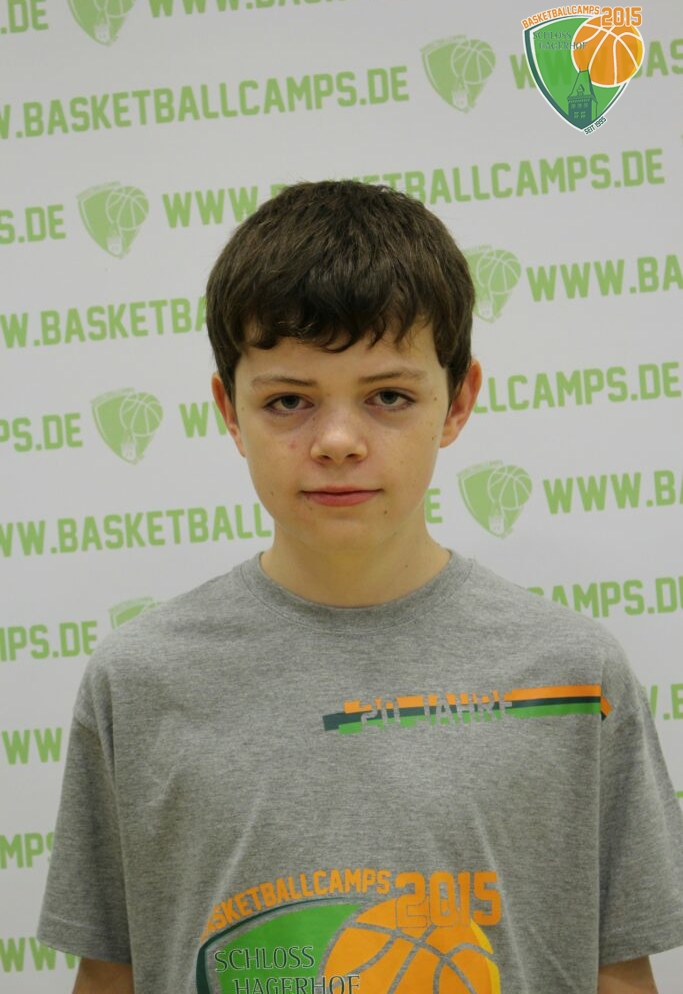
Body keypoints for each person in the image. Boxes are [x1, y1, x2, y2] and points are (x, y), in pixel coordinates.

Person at [38, 181, 683, 994]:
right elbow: (109, 976)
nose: (338, 441)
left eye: (387, 397)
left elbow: (617, 975)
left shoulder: (572, 671)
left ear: (457, 401)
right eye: (288, 401)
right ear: (229, 412)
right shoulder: (137, 679)